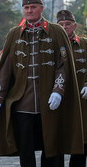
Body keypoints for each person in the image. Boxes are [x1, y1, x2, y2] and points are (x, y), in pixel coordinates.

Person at [0, 0, 84, 167]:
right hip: (22, 103)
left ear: (41, 8)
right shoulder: (14, 33)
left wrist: (58, 90)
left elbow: (62, 65)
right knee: (26, 150)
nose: (30, 10)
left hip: (49, 102)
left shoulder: (56, 31)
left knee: (52, 148)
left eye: (33, 7)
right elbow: (6, 69)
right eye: (26, 7)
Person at [56, 10, 87, 167]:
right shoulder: (53, 45)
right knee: (57, 141)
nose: (64, 27)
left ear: (75, 26)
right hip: (58, 101)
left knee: (81, 141)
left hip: (82, 102)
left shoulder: (84, 44)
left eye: (68, 24)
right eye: (61, 25)